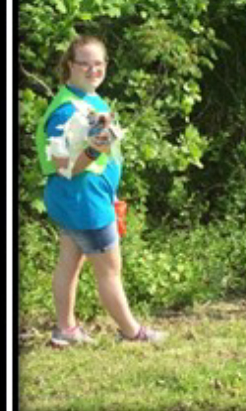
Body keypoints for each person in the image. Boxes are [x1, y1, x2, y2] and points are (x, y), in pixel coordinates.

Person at [35, 35, 166, 346]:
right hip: (84, 203)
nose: (93, 69)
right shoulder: (66, 111)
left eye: (99, 63)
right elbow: (63, 165)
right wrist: (96, 150)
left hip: (80, 200)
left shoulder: (87, 98)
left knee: (70, 261)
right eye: (85, 63)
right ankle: (132, 332)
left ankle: (65, 331)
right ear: (70, 65)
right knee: (109, 271)